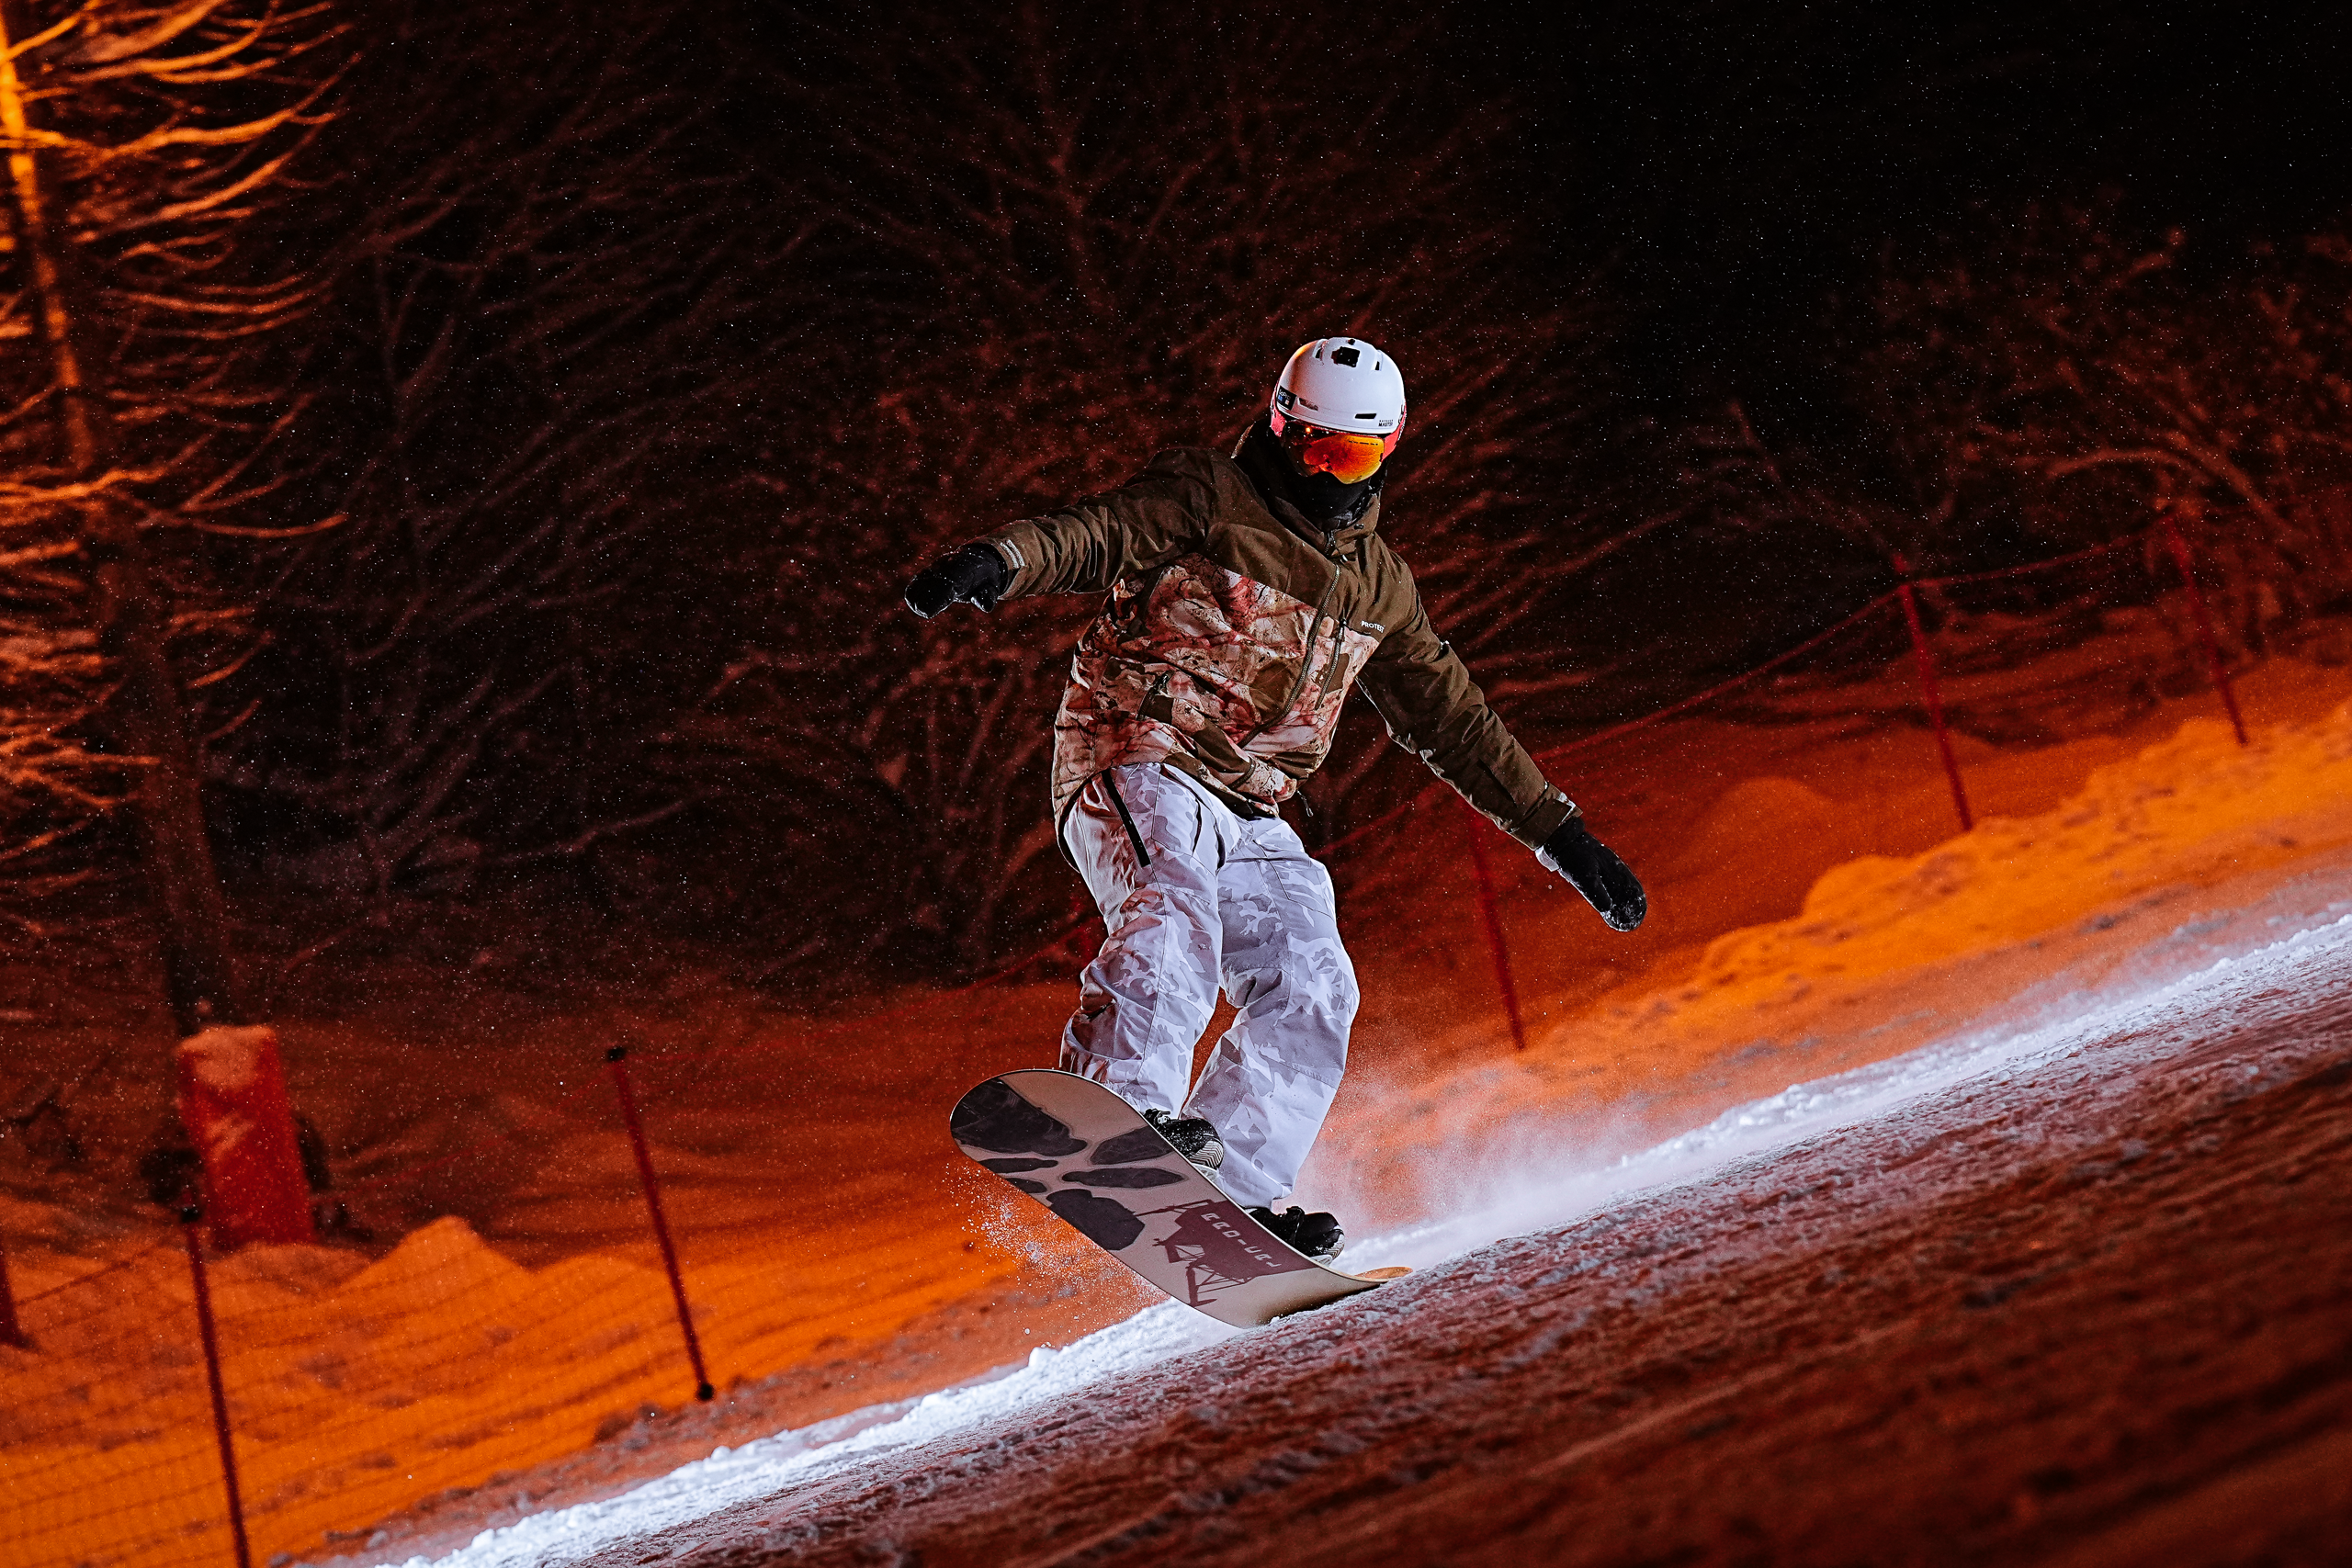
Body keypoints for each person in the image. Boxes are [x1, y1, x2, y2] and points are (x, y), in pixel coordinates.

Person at [904, 337, 1644, 1261]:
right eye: (1309, 447)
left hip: (1249, 805)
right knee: (1171, 907)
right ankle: (1117, 1112)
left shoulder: (1379, 588)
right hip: (1139, 749)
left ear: (1385, 452)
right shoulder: (1210, 497)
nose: (1324, 472)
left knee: (1313, 982)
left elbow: (1454, 722)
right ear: (1278, 425)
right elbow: (1097, 531)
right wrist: (1000, 559)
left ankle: (1228, 1193)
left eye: (1351, 457)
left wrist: (1562, 836)